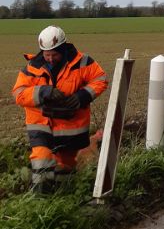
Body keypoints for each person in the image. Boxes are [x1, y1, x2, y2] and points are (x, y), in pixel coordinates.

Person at [11, 25, 108, 193]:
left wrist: (81, 96)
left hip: (70, 126)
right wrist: (43, 92)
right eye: (46, 54)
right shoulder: (32, 68)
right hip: (41, 124)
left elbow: (100, 79)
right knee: (42, 160)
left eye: (54, 54)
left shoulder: (83, 62)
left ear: (63, 49)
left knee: (66, 167)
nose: (50, 59)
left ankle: (63, 197)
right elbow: (19, 94)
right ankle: (40, 199)